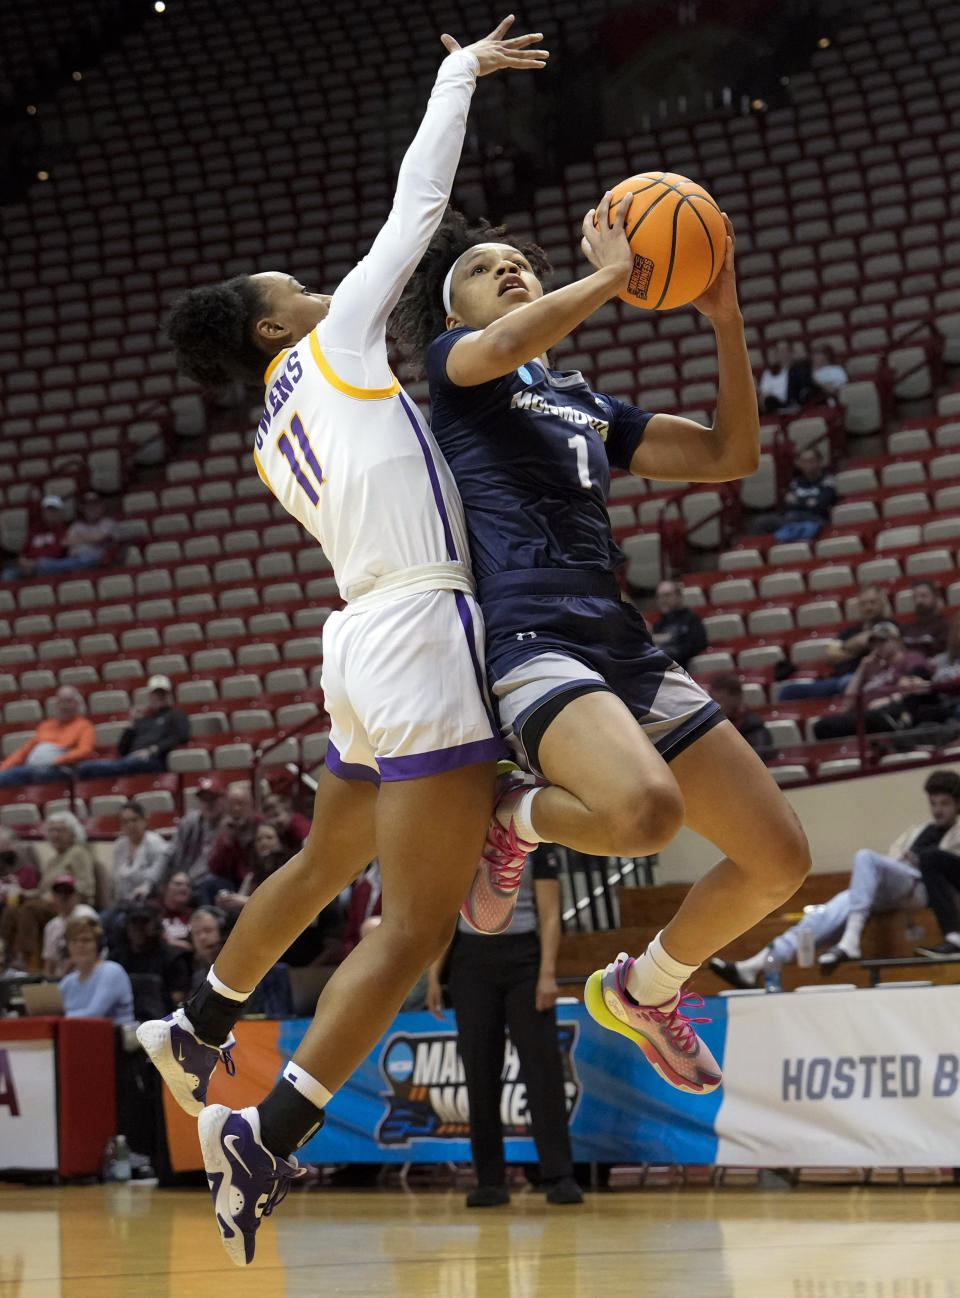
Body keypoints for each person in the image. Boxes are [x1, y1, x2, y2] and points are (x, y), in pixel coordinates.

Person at [135, 20, 548, 1268]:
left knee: (325, 859)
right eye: (288, 288)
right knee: (416, 926)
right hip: (418, 621)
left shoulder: (270, 425)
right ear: (273, 328)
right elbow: (419, 206)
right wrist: (456, 73)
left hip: (356, 634)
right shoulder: (332, 344)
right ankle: (269, 1124)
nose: (311, 285)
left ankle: (198, 1020)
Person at [391, 199, 808, 1091]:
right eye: (482, 268)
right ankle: (518, 819)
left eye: (519, 262)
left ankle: (646, 988)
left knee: (780, 862)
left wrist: (725, 321)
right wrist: (612, 277)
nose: (507, 270)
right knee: (644, 813)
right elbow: (503, 349)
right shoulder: (458, 367)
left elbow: (732, 453)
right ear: (453, 310)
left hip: (620, 638)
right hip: (532, 633)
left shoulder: (585, 402)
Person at [429, 844, 582, 1207]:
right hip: (470, 960)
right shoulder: (460, 834)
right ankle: (490, 1180)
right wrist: (434, 974)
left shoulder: (536, 839)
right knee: (479, 1070)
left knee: (542, 1068)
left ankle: (559, 1175)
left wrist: (547, 973)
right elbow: (446, 912)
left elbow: (549, 914)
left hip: (524, 961)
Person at [712, 769, 960, 983]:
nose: (937, 810)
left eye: (944, 804)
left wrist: (921, 860)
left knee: (865, 857)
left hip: (926, 888)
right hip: (897, 887)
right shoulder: (917, 831)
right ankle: (754, 966)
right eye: (934, 803)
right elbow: (891, 861)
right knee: (828, 911)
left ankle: (850, 940)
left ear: (957, 804)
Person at [1, 811, 97, 971]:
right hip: (46, 904)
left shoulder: (78, 854)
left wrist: (61, 897)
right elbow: (41, 892)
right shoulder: (53, 860)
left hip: (68, 904)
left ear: (73, 833)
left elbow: (86, 888)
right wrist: (22, 893)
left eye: (60, 830)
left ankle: (24, 959)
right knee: (11, 910)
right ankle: (4, 954)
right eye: (52, 830)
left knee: (29, 909)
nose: (55, 835)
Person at [811, 621, 932, 740]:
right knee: (821, 726)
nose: (877, 647)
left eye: (882, 641)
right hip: (867, 715)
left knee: (825, 726)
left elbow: (919, 683)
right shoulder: (875, 669)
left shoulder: (910, 658)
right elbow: (848, 703)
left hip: (889, 713)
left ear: (897, 640)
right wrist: (861, 669)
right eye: (874, 644)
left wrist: (888, 700)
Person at [779, 584, 893, 701]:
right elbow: (830, 657)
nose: (868, 607)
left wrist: (844, 650)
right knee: (789, 691)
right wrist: (858, 646)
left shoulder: (890, 627)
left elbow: (873, 645)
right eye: (863, 604)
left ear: (882, 604)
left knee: (848, 682)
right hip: (837, 679)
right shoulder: (849, 632)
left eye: (873, 602)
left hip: (869, 678)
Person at [76, 675, 189, 777]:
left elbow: (181, 736)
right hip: (131, 760)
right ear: (150, 696)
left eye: (163, 693)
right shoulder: (142, 720)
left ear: (169, 695)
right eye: (156, 694)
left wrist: (152, 750)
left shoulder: (176, 715)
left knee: (91, 769)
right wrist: (132, 723)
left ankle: (82, 769)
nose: (159, 697)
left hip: (154, 760)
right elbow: (122, 749)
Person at [0, 685, 96, 786]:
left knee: (17, 774)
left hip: (60, 769)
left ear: (77, 704)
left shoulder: (84, 726)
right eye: (61, 702)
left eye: (69, 701)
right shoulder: (46, 725)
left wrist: (57, 761)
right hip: (33, 768)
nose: (64, 706)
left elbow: (85, 750)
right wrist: (3, 768)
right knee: (10, 773)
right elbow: (24, 751)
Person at [59, 914, 135, 1025]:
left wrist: (55, 1020)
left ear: (98, 945)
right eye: (74, 941)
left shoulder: (111, 972)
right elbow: (55, 1011)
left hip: (113, 1038)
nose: (80, 945)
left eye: (86, 940)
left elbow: (94, 1014)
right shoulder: (68, 981)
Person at [747, 446, 837, 540]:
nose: (808, 464)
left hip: (816, 519)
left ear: (819, 461)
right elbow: (789, 502)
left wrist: (799, 501)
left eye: (811, 460)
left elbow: (822, 504)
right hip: (792, 518)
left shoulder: (828, 480)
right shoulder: (796, 482)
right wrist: (809, 502)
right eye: (804, 461)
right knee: (760, 522)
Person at [200, 781, 261, 902]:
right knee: (209, 882)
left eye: (241, 804)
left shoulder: (261, 825)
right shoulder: (226, 830)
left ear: (251, 805)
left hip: (259, 880)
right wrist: (228, 841)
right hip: (235, 882)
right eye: (232, 805)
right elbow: (214, 868)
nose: (236, 808)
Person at [31, 490, 116, 574]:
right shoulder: (76, 525)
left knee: (87, 559)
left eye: (95, 504)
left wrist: (80, 538)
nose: (91, 508)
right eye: (88, 505)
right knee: (43, 563)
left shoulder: (108, 522)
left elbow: (99, 537)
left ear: (102, 506)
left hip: (95, 561)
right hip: (73, 560)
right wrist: (90, 538)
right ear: (82, 508)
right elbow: (67, 542)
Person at [213, 822, 288, 915]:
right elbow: (240, 898)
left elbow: (284, 904)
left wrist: (247, 902)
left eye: (269, 837)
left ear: (280, 842)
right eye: (259, 839)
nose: (263, 842)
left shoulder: (289, 869)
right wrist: (229, 902)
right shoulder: (252, 875)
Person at [164, 779, 226, 886]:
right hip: (180, 880)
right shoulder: (189, 821)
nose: (208, 804)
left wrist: (188, 880)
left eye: (212, 799)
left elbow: (210, 862)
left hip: (204, 883)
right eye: (204, 800)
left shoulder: (227, 827)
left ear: (224, 799)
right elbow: (170, 852)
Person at [111, 801, 169, 903]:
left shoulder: (156, 843)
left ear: (145, 820)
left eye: (134, 820)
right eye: (125, 822)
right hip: (123, 902)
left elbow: (156, 876)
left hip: (149, 900)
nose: (130, 825)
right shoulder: (119, 845)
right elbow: (117, 879)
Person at [41, 875, 99, 977]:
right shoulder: (51, 926)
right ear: (53, 897)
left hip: (85, 975)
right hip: (60, 980)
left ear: (77, 896)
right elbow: (49, 962)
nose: (63, 897)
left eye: (68, 892)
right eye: (59, 893)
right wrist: (47, 983)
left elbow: (89, 953)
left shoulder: (85, 914)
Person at [1, 495, 67, 580]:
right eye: (48, 511)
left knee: (44, 565)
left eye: (54, 511)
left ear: (60, 513)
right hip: (28, 566)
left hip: (49, 567)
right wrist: (24, 563)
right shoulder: (34, 530)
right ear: (43, 512)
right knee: (8, 574)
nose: (51, 514)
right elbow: (24, 551)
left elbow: (59, 552)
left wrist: (35, 564)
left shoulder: (64, 530)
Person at [708, 674, 773, 759]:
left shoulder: (754, 727)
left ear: (737, 697)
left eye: (720, 701)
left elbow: (756, 759)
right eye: (712, 702)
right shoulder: (711, 727)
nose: (715, 707)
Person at [648, 580, 707, 670]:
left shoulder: (692, 620)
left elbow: (697, 646)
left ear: (679, 596)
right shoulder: (657, 627)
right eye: (659, 597)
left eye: (667, 595)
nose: (662, 600)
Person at [900, 580, 949, 659]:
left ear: (936, 597)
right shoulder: (906, 628)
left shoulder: (946, 626)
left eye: (924, 596)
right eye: (915, 597)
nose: (919, 601)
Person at [158, 871, 195, 950]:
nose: (184, 888)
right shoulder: (152, 909)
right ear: (165, 887)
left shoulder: (194, 915)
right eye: (178, 884)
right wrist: (169, 941)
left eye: (188, 885)